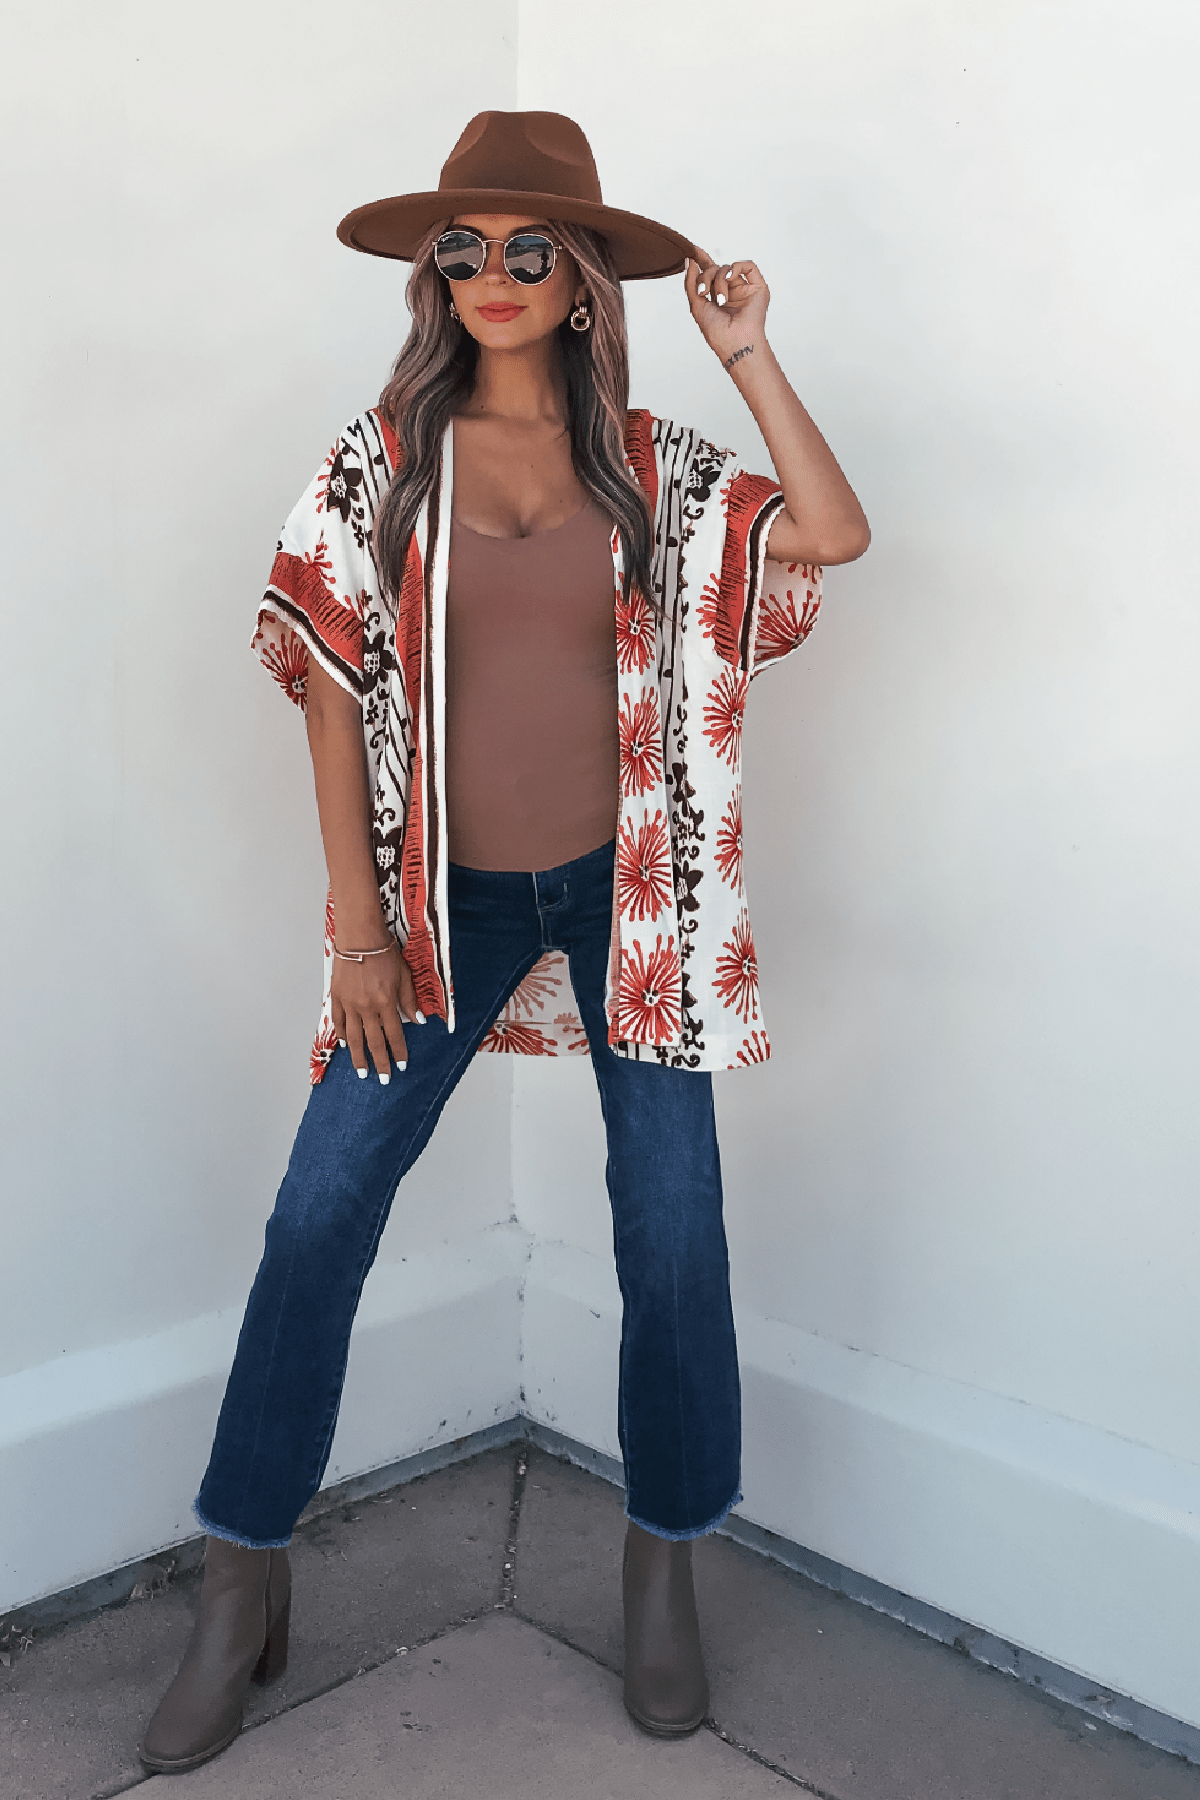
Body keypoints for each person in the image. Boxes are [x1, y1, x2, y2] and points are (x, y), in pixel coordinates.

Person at [137, 109, 869, 1774]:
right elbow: (324, 686)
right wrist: (361, 935)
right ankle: (241, 1581)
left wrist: (749, 357)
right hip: (436, 906)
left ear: (586, 270)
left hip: (633, 896)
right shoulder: (381, 453)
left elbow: (827, 539)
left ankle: (663, 1560)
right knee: (320, 1215)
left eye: (527, 245)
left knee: (673, 1236)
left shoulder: (660, 464)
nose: (488, 274)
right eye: (458, 248)